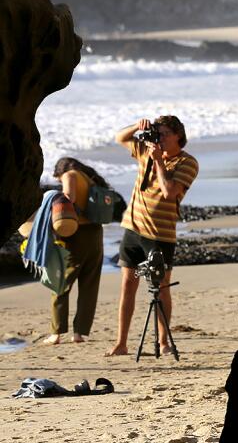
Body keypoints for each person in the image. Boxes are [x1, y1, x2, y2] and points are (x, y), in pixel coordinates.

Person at [106, 115, 199, 357]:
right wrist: (139, 126)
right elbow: (120, 137)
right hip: (132, 228)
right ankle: (121, 343)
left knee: (161, 287)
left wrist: (158, 161)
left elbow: (170, 193)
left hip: (160, 234)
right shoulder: (146, 150)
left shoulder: (187, 162)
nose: (160, 138)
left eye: (165, 134)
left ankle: (164, 342)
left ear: (178, 135)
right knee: (128, 284)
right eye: (157, 133)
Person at [41, 158, 107, 345]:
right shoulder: (89, 178)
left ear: (61, 172)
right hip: (95, 234)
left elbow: (69, 197)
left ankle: (56, 333)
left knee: (60, 282)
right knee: (89, 285)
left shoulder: (70, 175)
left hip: (76, 234)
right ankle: (79, 333)